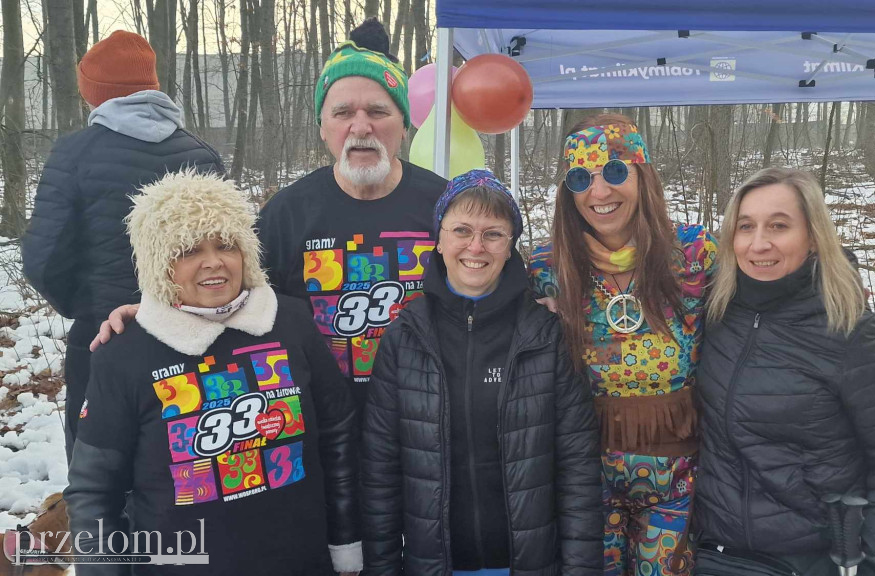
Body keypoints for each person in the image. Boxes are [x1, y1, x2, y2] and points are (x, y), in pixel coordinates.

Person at [92, 19, 447, 399]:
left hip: (424, 417)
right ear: (322, 127)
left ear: (404, 125)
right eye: (342, 113)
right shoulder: (286, 214)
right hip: (322, 415)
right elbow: (227, 296)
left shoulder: (444, 205)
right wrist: (152, 314)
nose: (361, 127)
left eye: (378, 111)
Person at [64, 171, 362, 575]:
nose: (213, 262)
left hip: (300, 561)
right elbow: (94, 493)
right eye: (188, 250)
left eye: (226, 245)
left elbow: (338, 434)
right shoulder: (124, 353)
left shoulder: (291, 322)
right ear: (159, 264)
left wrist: (345, 540)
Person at [362, 170, 603, 576]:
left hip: (527, 562)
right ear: (438, 240)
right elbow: (380, 473)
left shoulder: (543, 334)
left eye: (493, 234)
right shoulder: (404, 337)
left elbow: (578, 470)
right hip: (434, 564)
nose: (476, 246)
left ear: (510, 248)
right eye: (462, 230)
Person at [694, 168, 875, 576]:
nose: (759, 243)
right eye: (746, 226)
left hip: (806, 558)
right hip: (710, 552)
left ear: (814, 235)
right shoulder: (713, 310)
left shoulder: (847, 331)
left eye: (779, 226)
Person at [22, 30, 224, 461]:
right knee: (183, 458)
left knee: (98, 466)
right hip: (189, 333)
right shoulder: (202, 155)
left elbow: (43, 258)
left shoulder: (74, 154)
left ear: (93, 94)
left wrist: (90, 303)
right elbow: (228, 253)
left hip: (102, 337)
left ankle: (105, 532)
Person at [529, 114, 717, 575]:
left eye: (614, 171)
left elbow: (766, 292)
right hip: (584, 471)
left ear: (643, 176)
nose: (599, 192)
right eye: (581, 178)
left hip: (678, 470)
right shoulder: (545, 265)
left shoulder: (696, 254)